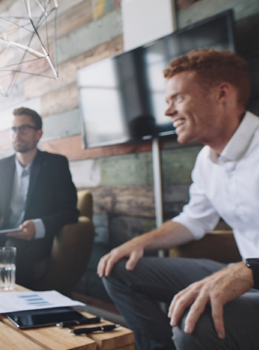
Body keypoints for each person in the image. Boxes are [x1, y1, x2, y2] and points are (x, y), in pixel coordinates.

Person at [97, 49, 259, 350]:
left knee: (194, 326)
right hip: (242, 270)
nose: (168, 112)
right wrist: (140, 242)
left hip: (251, 274)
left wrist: (250, 269)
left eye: (178, 98)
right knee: (118, 268)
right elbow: (195, 219)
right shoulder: (205, 161)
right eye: (167, 101)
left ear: (222, 93)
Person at [0, 107, 80, 288]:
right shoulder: (2, 166)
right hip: (6, 233)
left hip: (37, 240)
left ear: (39, 133)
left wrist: (38, 226)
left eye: (23, 128)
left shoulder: (55, 164)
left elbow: (70, 212)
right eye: (14, 129)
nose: (17, 134)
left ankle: (20, 309)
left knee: (15, 247)